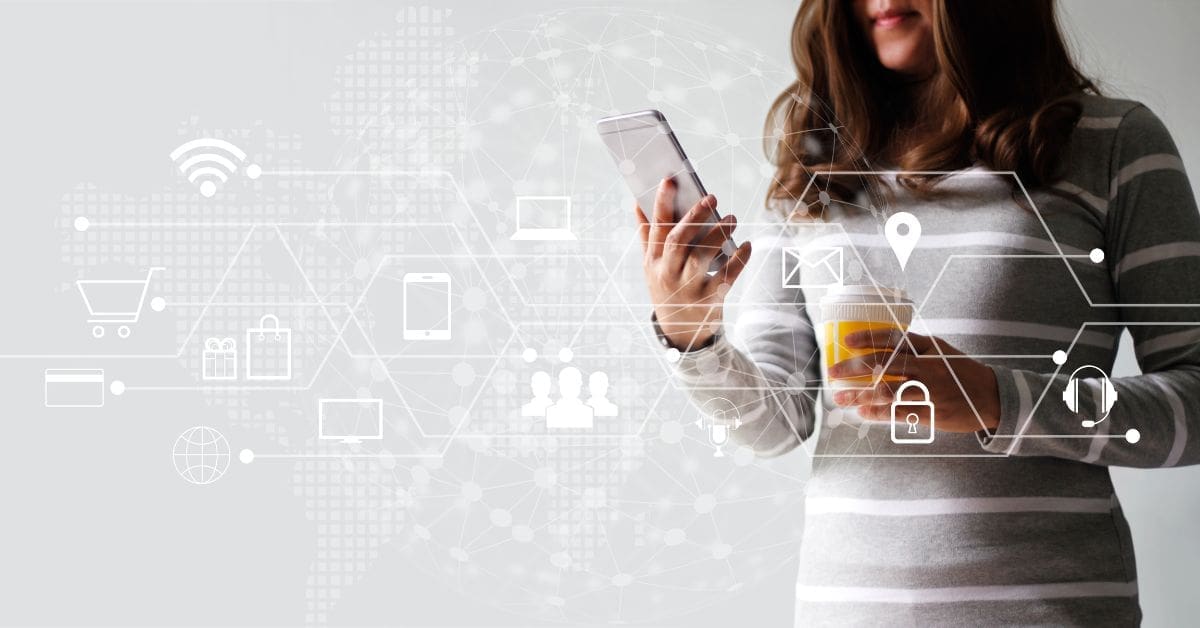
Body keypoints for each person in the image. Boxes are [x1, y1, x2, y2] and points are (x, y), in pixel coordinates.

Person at [635, 0, 1200, 624]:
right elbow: (774, 423)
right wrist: (691, 336)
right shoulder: (815, 162)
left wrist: (998, 400)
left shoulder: (1114, 143)